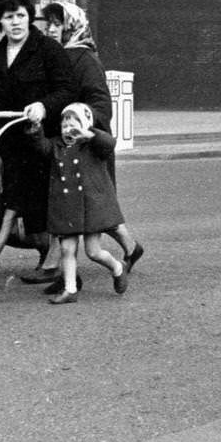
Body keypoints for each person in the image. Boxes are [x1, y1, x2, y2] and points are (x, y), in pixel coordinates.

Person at [0, 0, 77, 300]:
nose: (16, 22)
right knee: (4, 210)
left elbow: (67, 91)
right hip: (9, 145)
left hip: (41, 144)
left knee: (12, 209)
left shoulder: (49, 50)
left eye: (22, 15)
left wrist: (43, 106)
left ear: (29, 17)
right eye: (9, 17)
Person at [39, 0, 144, 281]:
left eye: (57, 24)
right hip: (68, 144)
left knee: (93, 204)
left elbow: (101, 105)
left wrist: (79, 124)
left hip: (87, 146)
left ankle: (61, 269)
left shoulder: (84, 59)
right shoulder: (60, 56)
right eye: (48, 23)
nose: (50, 29)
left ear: (71, 26)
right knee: (85, 205)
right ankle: (129, 249)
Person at [31, 102, 128, 304]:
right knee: (67, 249)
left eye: (73, 125)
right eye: (64, 126)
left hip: (89, 207)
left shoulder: (92, 144)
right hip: (66, 207)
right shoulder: (57, 145)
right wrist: (36, 127)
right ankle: (70, 290)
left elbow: (109, 143)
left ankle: (117, 267)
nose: (68, 130)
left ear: (84, 125)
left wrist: (90, 135)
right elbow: (41, 148)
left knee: (93, 252)